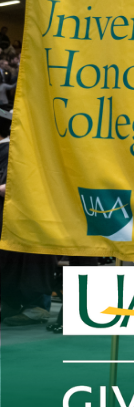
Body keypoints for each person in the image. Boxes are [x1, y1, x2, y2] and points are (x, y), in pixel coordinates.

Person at [0, 109, 57, 327]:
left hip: (35, 216)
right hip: (15, 218)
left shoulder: (24, 149)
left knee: (33, 261)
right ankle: (12, 304)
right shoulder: (12, 148)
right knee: (12, 262)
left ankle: (37, 307)